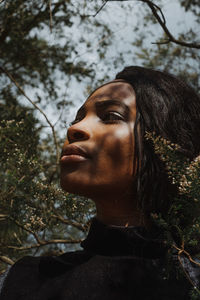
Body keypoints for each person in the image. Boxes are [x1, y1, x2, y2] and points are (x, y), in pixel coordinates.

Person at [1, 66, 200, 300]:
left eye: (111, 116)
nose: (74, 128)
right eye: (78, 118)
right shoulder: (18, 280)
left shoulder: (191, 278)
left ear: (165, 141)